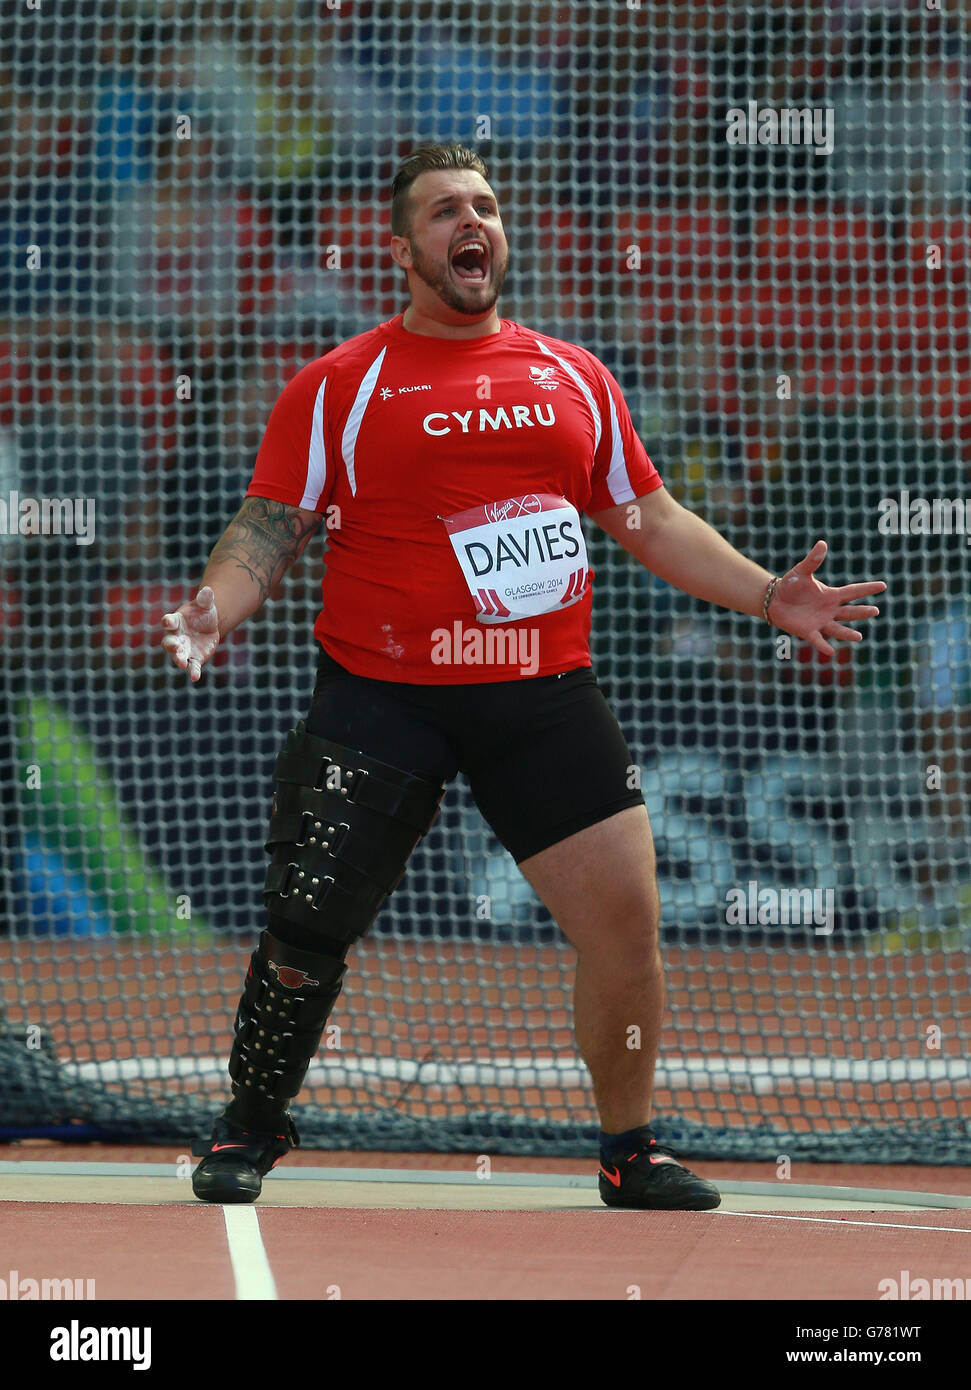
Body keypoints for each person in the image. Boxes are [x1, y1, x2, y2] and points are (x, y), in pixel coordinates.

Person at [160, 144, 886, 1209]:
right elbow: (268, 526)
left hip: (539, 695)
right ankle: (250, 1123)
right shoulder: (336, 386)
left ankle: (627, 1149)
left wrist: (766, 593)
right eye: (448, 209)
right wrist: (212, 608)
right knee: (305, 927)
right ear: (402, 246)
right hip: (381, 694)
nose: (476, 222)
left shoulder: (570, 374)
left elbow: (649, 517)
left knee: (626, 932)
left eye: (487, 207)